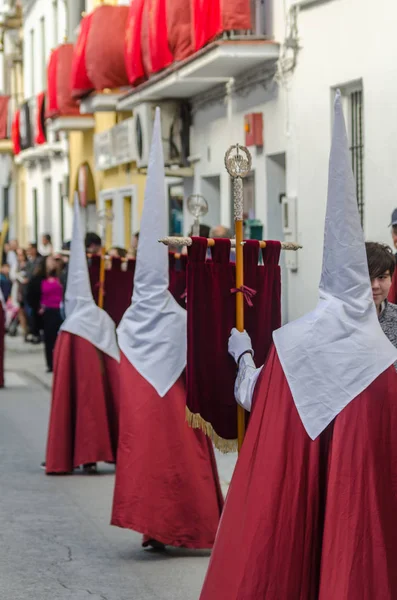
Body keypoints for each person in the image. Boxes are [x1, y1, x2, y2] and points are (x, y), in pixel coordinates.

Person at [199, 93, 397, 600]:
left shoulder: (295, 347)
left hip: (296, 509)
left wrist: (243, 352)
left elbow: (253, 397)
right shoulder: (384, 360)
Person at [112, 109, 223, 550]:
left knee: (161, 455)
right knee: (170, 455)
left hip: (169, 399)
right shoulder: (160, 319)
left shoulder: (134, 323)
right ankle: (166, 525)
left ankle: (163, 525)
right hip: (168, 399)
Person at [27, 256, 63, 372]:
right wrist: (38, 307)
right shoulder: (39, 279)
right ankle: (50, 363)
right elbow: (31, 295)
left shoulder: (60, 277)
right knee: (49, 338)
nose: (53, 263)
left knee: (60, 338)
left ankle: (60, 362)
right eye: (51, 261)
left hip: (60, 310)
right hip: (47, 311)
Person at [366, 241, 397, 353]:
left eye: (382, 277)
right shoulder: (339, 322)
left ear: (391, 279)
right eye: (368, 277)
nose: (375, 285)